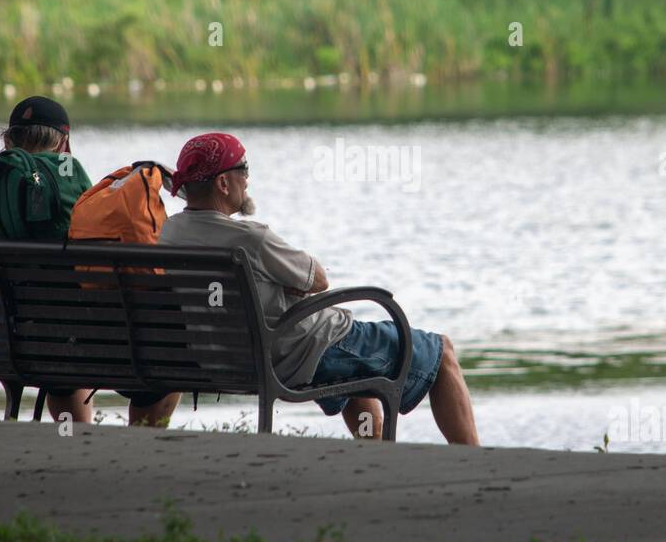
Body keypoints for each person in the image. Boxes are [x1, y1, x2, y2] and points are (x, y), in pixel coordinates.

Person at [157, 132, 479, 445]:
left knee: (355, 372)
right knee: (442, 352)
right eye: (244, 170)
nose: (248, 179)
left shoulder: (169, 235)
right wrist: (286, 286)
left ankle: (375, 455)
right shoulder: (251, 239)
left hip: (226, 359)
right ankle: (477, 459)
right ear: (223, 183)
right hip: (295, 355)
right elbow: (319, 280)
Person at [0, 96, 95, 424]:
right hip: (22, 345)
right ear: (65, 143)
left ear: (7, 140)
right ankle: (81, 441)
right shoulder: (62, 182)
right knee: (70, 340)